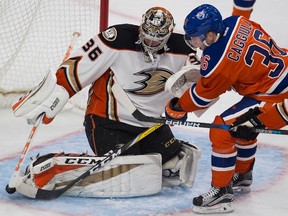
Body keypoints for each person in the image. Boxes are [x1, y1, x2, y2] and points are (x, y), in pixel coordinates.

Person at [12, 7, 201, 197]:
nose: (150, 42)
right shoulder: (118, 38)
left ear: (168, 34)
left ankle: (137, 157)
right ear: (141, 27)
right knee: (132, 171)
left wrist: (182, 105)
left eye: (157, 39)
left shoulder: (185, 47)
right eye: (147, 35)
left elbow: (199, 84)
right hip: (108, 122)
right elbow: (78, 66)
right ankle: (50, 164)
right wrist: (55, 95)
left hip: (151, 125)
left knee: (176, 165)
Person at [165, 3, 288, 214]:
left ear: (211, 35)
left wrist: (176, 107)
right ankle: (242, 175)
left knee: (222, 129)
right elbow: (239, 62)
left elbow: (203, 97)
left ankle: (221, 192)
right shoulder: (237, 22)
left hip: (276, 97)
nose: (193, 42)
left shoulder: (218, 59)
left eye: (195, 37)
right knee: (242, 127)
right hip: (279, 74)